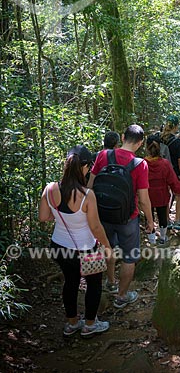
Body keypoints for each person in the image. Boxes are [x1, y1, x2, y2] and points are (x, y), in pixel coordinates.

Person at [39, 145, 112, 338]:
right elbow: (96, 227)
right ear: (86, 166)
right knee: (94, 284)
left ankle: (71, 323)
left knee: (70, 282)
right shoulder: (87, 195)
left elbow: (44, 217)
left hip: (58, 246)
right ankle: (89, 324)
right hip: (85, 248)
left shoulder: (50, 188)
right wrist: (107, 246)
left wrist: (62, 216)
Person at [87, 124, 154, 308]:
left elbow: (90, 186)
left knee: (108, 247)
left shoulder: (103, 155)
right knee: (130, 257)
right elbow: (143, 199)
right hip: (128, 218)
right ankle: (122, 296)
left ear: (122, 137)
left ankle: (110, 281)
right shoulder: (140, 164)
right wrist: (150, 220)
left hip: (103, 214)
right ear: (140, 143)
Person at [145, 134, 180, 244]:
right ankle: (162, 238)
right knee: (162, 217)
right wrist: (179, 189)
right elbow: (172, 180)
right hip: (162, 196)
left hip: (147, 197)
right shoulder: (165, 164)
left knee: (149, 217)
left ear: (146, 147)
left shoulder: (143, 163)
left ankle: (151, 240)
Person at [160, 115, 180, 229]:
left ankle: (166, 220)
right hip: (174, 172)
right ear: (175, 127)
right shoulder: (177, 141)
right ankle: (177, 220)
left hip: (160, 172)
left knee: (166, 196)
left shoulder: (158, 138)